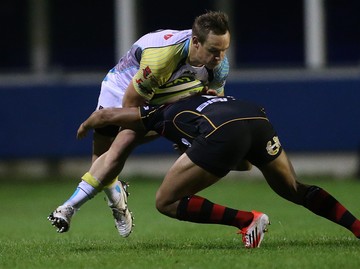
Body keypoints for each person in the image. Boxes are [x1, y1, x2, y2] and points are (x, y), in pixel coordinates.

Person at [71, 95, 360, 248]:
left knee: (165, 202)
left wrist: (87, 125)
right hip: (255, 117)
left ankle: (246, 220)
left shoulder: (158, 114)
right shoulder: (200, 102)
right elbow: (245, 163)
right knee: (294, 188)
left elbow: (108, 115)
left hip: (222, 131)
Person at [48, 11, 231, 237]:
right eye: (214, 50)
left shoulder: (219, 66)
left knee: (120, 146)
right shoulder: (161, 58)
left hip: (165, 92)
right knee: (105, 156)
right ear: (195, 42)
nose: (220, 57)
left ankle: (69, 207)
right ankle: (116, 198)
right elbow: (131, 106)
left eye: (224, 49)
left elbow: (213, 101)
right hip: (121, 87)